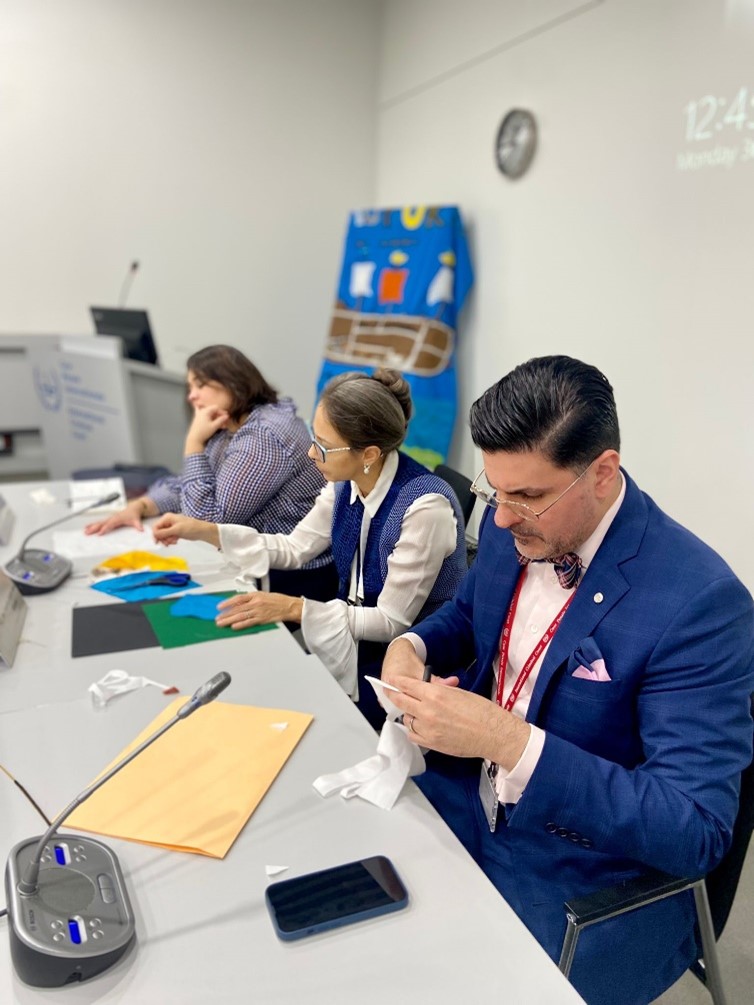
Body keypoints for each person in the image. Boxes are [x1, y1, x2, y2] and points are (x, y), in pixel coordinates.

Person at [381, 356, 754, 1005]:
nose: (498, 518)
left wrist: (513, 743)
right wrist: (412, 643)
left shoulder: (699, 603)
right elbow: (470, 614)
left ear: (602, 472)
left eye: (526, 495)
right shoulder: (512, 526)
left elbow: (694, 829)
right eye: (494, 491)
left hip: (588, 873)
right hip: (462, 801)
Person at [153, 368, 469, 727]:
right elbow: (295, 547)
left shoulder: (423, 508)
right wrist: (205, 531)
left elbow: (391, 622)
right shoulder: (347, 482)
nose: (310, 452)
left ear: (368, 453)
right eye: (313, 437)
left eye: (322, 445)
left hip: (408, 666)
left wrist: (293, 608)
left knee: (295, 719)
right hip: (352, 642)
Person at [85, 344, 336, 602]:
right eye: (190, 387)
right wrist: (143, 505)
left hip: (289, 574)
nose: (191, 396)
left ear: (233, 383)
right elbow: (192, 482)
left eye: (200, 385)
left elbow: (208, 521)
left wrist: (193, 443)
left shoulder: (265, 435)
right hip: (255, 559)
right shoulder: (233, 424)